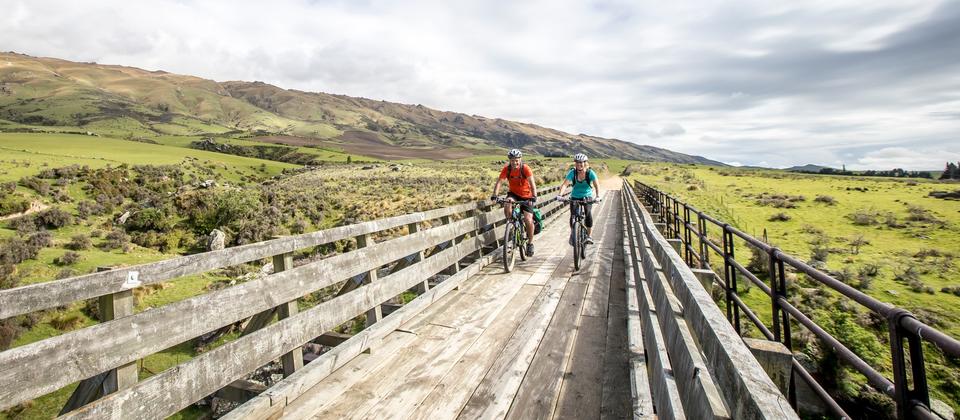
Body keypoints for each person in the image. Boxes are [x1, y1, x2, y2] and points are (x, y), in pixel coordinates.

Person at [491, 149, 538, 256]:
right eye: (512, 160)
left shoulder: (525, 168)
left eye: (516, 160)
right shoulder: (507, 169)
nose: (514, 163)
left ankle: (530, 243)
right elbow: (499, 182)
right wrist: (495, 195)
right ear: (510, 161)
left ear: (520, 159)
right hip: (514, 194)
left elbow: (532, 183)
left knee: (528, 219)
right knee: (508, 203)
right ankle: (511, 224)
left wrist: (534, 196)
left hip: (527, 196)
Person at [556, 153, 601, 244]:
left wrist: (598, 196)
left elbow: (597, 185)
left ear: (585, 163)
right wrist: (560, 195)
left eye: (581, 162)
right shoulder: (572, 172)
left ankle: (589, 236)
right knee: (573, 216)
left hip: (587, 196)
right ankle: (573, 234)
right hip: (575, 196)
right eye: (577, 162)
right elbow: (565, 184)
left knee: (588, 214)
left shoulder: (590, 173)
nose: (579, 164)